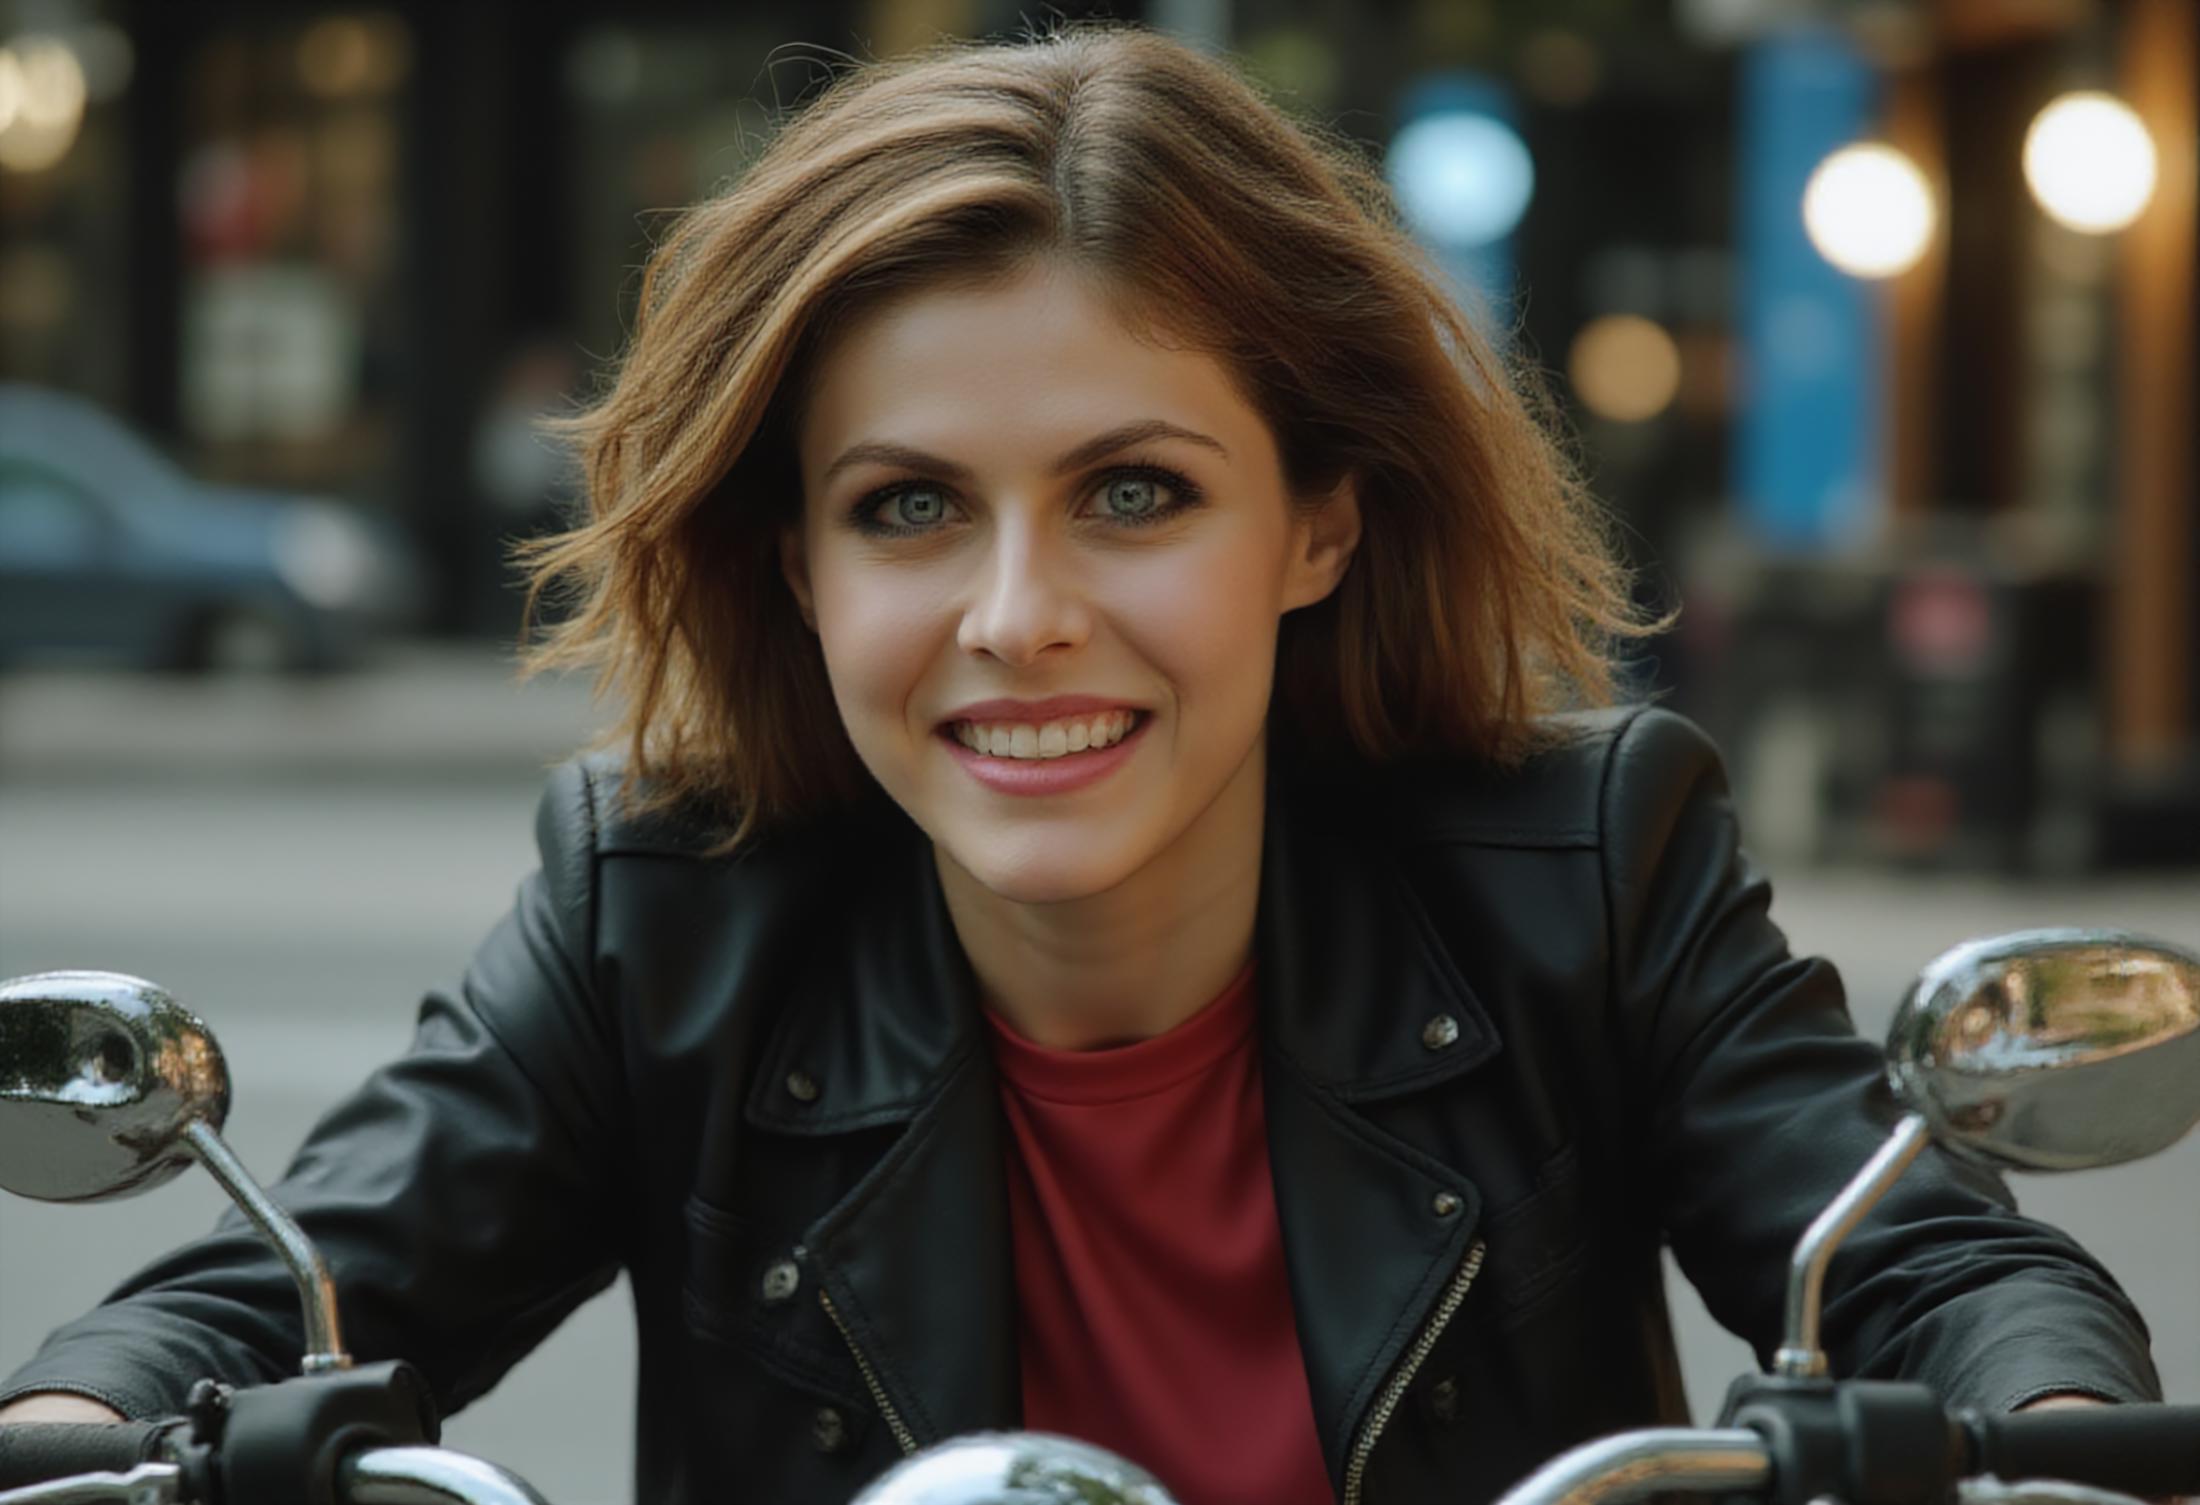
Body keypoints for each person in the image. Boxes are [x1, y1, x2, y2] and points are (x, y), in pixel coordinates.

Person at [0, 21, 2161, 1505]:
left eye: (1132, 494)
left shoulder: (1586, 859)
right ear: (798, 565)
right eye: (907, 506)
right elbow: (282, 1288)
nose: (1014, 611)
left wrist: (2024, 1419)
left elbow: (1932, 1261)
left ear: (1315, 522)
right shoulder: (661, 907)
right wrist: (92, 1412)